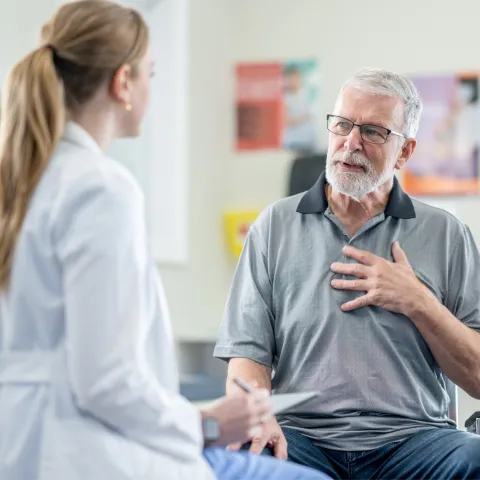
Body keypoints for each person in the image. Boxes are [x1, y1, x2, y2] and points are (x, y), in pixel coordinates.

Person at [0, 2, 329, 479]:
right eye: (150, 73)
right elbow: (105, 381)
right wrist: (208, 423)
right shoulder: (100, 188)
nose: (154, 88)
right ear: (123, 84)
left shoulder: (22, 182)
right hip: (86, 454)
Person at [214, 67, 480, 479]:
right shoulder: (273, 227)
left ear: (405, 152)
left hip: (414, 441)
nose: (351, 143)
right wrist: (257, 417)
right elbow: (247, 357)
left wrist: (419, 303)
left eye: (373, 131)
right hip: (302, 440)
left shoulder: (446, 234)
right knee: (241, 461)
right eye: (342, 124)